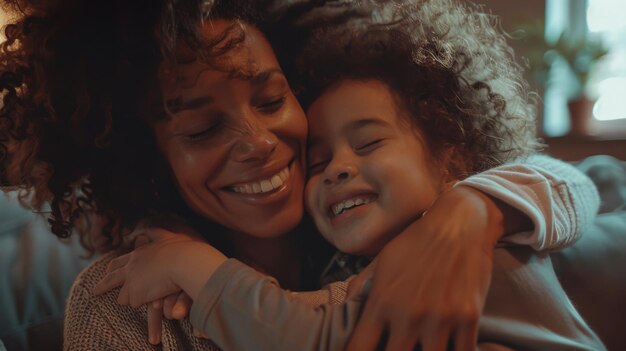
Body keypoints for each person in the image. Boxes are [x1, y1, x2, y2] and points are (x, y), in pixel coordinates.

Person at [0, 0, 599, 350]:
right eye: (202, 130)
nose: (260, 144)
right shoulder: (122, 308)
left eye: (269, 100)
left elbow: (593, 181)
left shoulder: (370, 229)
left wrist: (472, 211)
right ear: (145, 160)